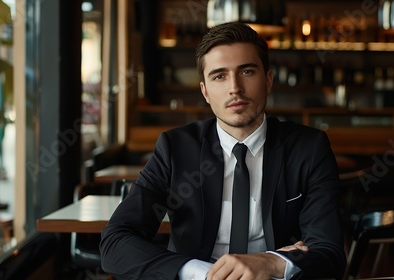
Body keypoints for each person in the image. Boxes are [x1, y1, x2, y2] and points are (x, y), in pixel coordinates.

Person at [100, 21, 346, 279]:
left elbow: (329, 254)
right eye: (219, 76)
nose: (235, 88)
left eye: (247, 72)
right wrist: (200, 272)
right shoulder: (175, 149)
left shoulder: (309, 148)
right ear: (205, 92)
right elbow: (114, 242)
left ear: (269, 80)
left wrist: (271, 263)